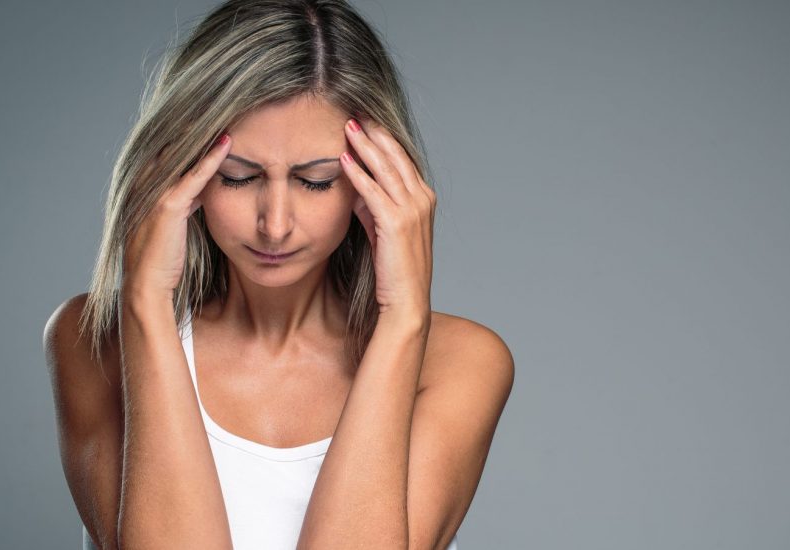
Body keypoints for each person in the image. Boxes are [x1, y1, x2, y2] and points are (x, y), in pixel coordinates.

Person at [41, 1, 514, 548]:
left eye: (316, 181)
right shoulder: (91, 338)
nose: (275, 225)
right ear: (176, 169)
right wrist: (146, 300)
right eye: (238, 176)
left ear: (381, 180)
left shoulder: (461, 363)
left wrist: (404, 319)